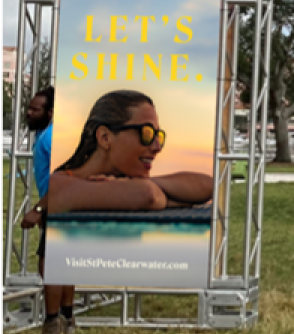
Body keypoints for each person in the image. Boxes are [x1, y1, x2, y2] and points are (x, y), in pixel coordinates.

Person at [47, 91, 213, 216]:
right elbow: (148, 195)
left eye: (158, 136)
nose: (157, 147)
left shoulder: (121, 181)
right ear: (105, 137)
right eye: (147, 133)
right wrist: (172, 199)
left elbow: (208, 186)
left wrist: (129, 183)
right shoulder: (57, 185)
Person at [17, 88, 77, 334]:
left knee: (50, 265)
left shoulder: (51, 137)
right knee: (63, 264)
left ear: (50, 112)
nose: (28, 113)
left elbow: (64, 178)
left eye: (35, 109)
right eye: (29, 108)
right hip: (62, 206)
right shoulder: (47, 135)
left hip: (60, 206)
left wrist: (39, 209)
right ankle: (67, 320)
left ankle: (53, 323)